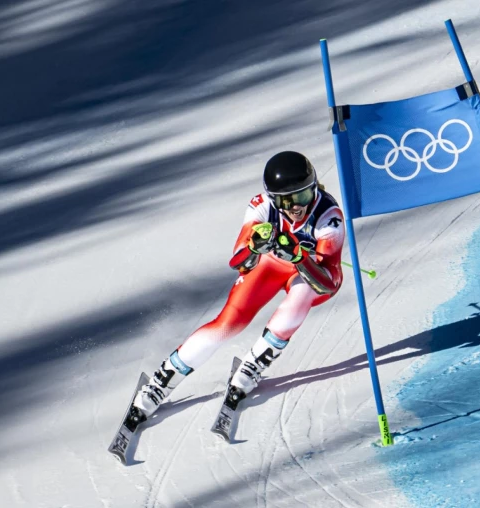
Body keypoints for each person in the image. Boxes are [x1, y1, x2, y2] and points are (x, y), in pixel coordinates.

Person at [132, 151, 345, 419]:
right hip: (270, 266)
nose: (295, 207)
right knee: (229, 323)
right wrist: (255, 247)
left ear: (313, 188)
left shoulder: (329, 217)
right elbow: (239, 261)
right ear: (272, 197)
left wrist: (300, 256)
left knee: (301, 294)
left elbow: (327, 283)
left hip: (310, 274)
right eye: (285, 200)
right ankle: (164, 379)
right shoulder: (262, 206)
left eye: (301, 196)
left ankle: (255, 360)